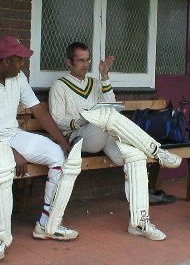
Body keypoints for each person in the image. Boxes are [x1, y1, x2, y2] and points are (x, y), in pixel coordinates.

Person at [0, 36, 83, 261]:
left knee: (58, 155)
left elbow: (38, 110)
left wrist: (62, 142)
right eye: (20, 59)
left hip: (11, 135)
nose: (23, 63)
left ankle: (48, 224)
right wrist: (10, 152)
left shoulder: (18, 77)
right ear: (6, 61)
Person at [49, 42, 182, 241]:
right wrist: (83, 119)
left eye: (88, 60)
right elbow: (58, 120)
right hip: (81, 138)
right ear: (69, 62)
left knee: (135, 156)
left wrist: (104, 76)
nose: (85, 65)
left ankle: (139, 222)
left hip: (105, 133)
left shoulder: (94, 82)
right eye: (80, 61)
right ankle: (156, 150)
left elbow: (110, 102)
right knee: (105, 117)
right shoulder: (59, 85)